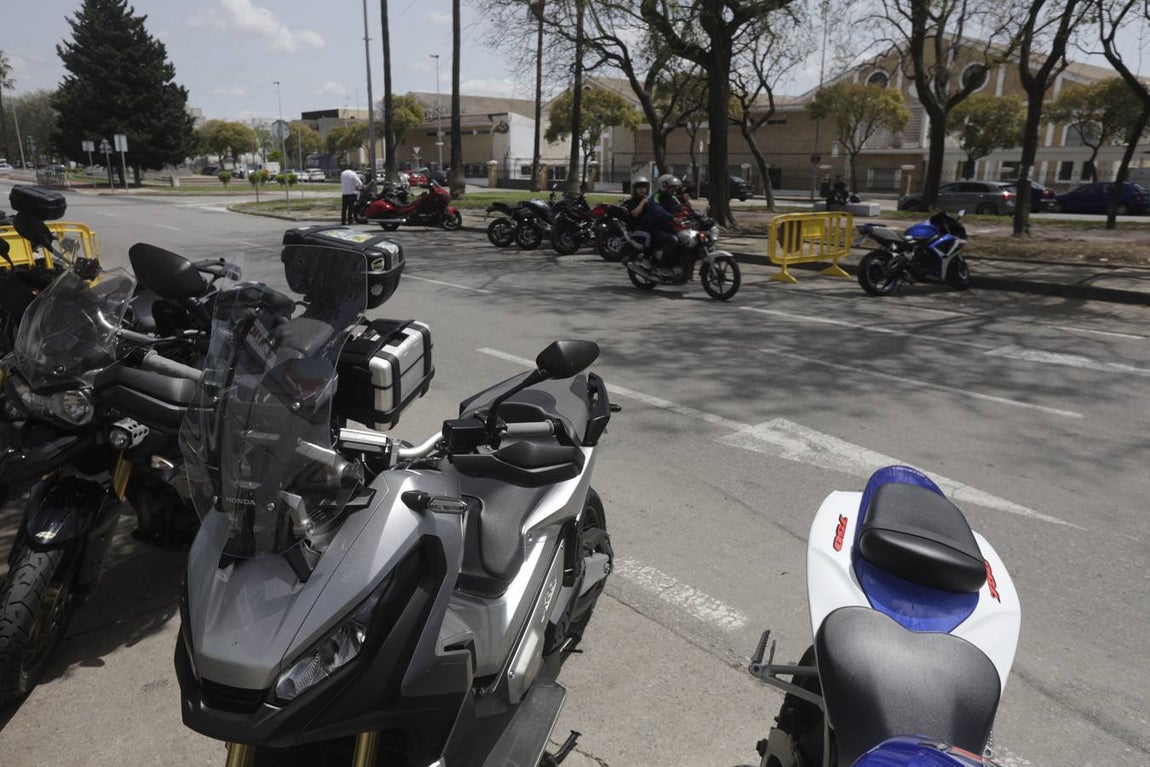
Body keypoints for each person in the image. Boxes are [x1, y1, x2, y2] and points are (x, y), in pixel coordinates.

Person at [624, 176, 676, 269]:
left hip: (650, 226)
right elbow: (635, 214)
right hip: (638, 229)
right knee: (648, 235)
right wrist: (643, 202)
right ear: (634, 189)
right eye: (639, 187)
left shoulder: (651, 200)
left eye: (644, 187)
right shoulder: (632, 202)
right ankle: (646, 259)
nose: (641, 190)